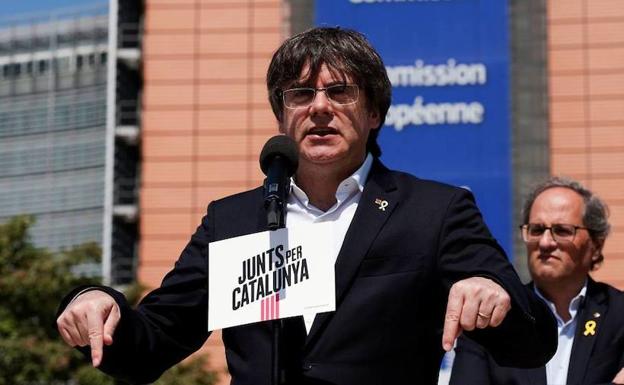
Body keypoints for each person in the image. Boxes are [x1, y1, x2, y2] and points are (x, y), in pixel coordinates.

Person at [56, 27, 556, 385]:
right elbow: (152, 344)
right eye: (301, 94)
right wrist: (99, 304)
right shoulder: (232, 221)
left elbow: (532, 345)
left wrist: (496, 296)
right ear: (282, 114)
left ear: (375, 112)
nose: (319, 106)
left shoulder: (435, 211)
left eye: (340, 92)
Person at [450, 176, 624, 385]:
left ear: (595, 245)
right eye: (536, 230)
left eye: (562, 230)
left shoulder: (619, 315)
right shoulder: (490, 317)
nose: (545, 242)